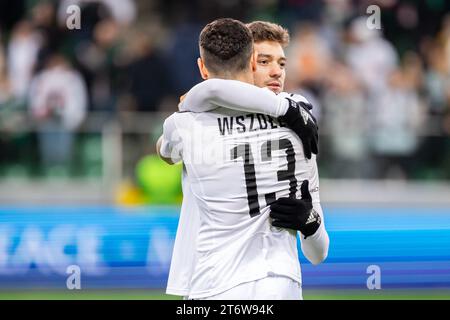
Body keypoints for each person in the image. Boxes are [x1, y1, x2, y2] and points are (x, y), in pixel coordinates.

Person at [159, 19, 328, 300]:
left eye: (282, 64)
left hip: (217, 284)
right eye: (263, 61)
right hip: (279, 284)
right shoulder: (299, 121)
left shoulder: (189, 123)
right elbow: (214, 91)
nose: (276, 72)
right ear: (245, 64)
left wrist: (310, 223)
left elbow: (318, 252)